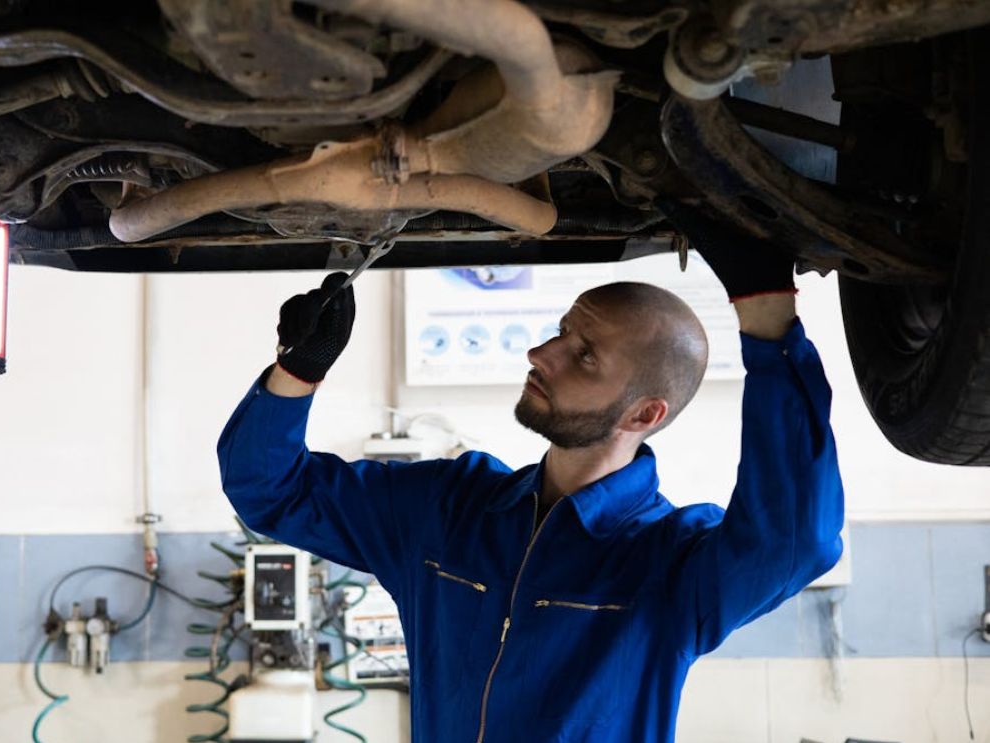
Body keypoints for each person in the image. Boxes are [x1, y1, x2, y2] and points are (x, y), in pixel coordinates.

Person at [217, 207, 845, 743]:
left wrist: (768, 321)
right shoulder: (448, 511)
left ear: (644, 413)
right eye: (559, 333)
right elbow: (269, 490)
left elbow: (795, 543)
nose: (541, 354)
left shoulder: (669, 564)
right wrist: (299, 371)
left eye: (584, 355)